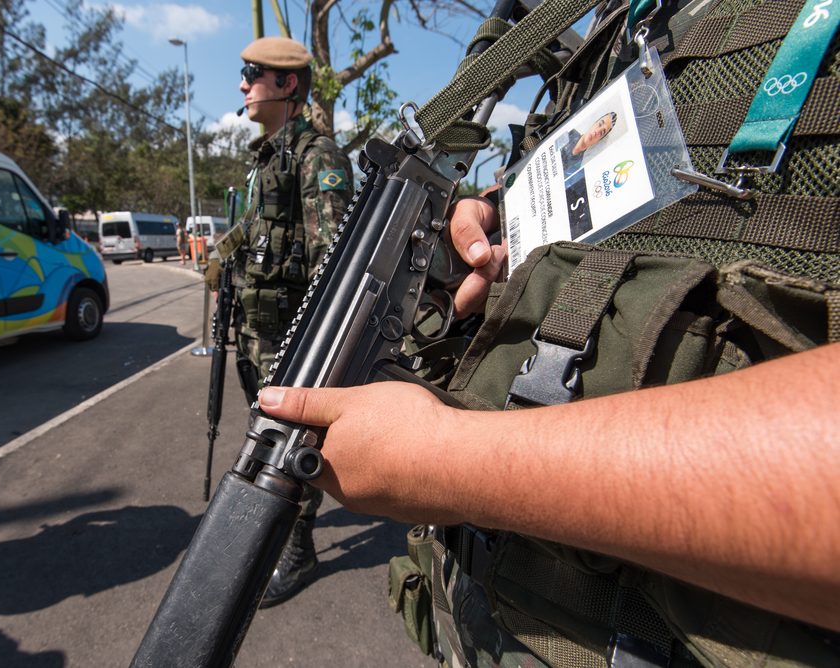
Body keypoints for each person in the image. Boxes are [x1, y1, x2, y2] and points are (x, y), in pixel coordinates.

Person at [249, 0, 840, 665]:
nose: (244, 87)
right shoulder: (627, 18)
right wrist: (509, 214)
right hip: (500, 611)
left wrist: (451, 462)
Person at [204, 36, 355, 608]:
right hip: (253, 326)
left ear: (289, 84)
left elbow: (332, 260)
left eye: (253, 73)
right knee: (258, 429)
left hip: (290, 335)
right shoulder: (268, 156)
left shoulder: (318, 157)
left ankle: (297, 546)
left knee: (288, 439)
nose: (243, 85)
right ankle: (275, 526)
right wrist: (223, 254)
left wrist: (316, 352)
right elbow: (257, 230)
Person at [557, 111, 616, 178]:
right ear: (594, 124)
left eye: (601, 133)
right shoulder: (568, 133)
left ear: (597, 141)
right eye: (600, 124)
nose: (597, 131)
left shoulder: (578, 165)